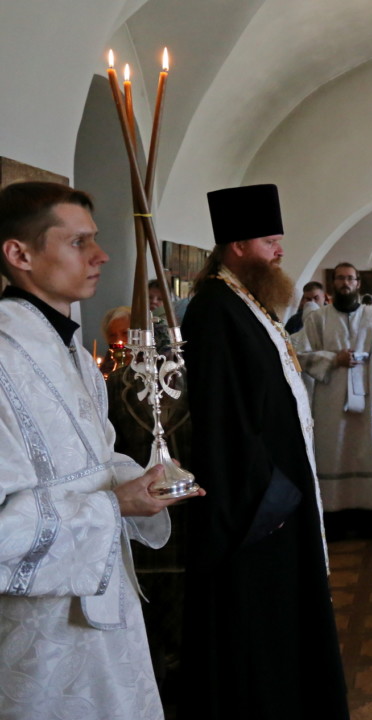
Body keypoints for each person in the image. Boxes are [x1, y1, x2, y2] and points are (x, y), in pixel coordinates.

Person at [0, 181, 195, 719]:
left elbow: (96, 462)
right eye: (79, 242)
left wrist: (149, 479)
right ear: (19, 254)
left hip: (106, 606)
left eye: (97, 240)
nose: (101, 256)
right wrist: (115, 506)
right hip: (38, 636)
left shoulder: (73, 352)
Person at [181, 184, 348, 719]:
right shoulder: (214, 308)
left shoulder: (246, 300)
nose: (279, 251)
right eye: (269, 241)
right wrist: (267, 496)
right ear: (236, 246)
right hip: (258, 506)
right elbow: (224, 418)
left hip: (281, 489)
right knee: (261, 622)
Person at [295, 262, 372, 540]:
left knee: (366, 452)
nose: (345, 283)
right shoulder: (317, 319)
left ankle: (369, 521)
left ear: (358, 283)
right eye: (340, 278)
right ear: (333, 284)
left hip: (366, 400)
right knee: (333, 455)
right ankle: (335, 522)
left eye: (350, 278)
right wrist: (333, 359)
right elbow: (300, 356)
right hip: (329, 403)